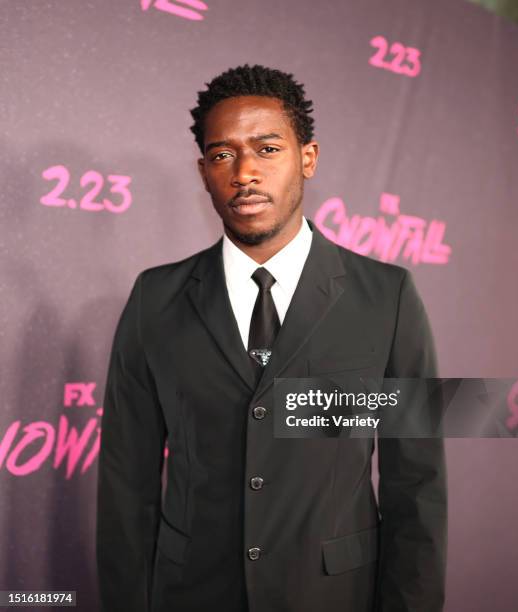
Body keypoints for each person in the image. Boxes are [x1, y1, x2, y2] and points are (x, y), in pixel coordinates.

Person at [96, 64, 447, 612]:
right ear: (203, 171)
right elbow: (127, 485)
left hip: (335, 595)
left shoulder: (388, 297)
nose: (243, 173)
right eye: (222, 155)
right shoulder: (155, 299)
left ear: (307, 157)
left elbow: (417, 484)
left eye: (266, 149)